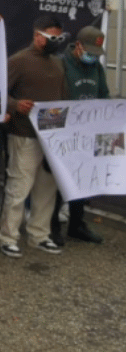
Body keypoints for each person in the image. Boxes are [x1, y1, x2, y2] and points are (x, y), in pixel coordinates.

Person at [0, 15, 66, 258]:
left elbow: (63, 98)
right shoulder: (18, 61)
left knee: (46, 190)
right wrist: (15, 104)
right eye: (52, 37)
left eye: (59, 37)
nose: (56, 41)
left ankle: (39, 235)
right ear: (38, 36)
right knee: (19, 187)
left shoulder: (58, 64)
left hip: (51, 137)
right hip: (23, 134)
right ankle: (8, 236)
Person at [50, 26, 109, 245]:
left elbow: (103, 94)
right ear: (79, 46)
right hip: (64, 131)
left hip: (87, 131)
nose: (92, 57)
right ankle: (52, 225)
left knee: (83, 179)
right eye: (90, 52)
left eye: (96, 53)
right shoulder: (60, 63)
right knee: (58, 180)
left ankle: (77, 223)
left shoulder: (97, 69)